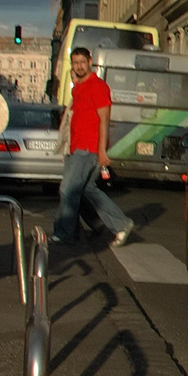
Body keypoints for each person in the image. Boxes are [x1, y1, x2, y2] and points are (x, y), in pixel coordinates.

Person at [54, 47, 133, 246]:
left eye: (82, 62)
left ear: (90, 62)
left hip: (88, 147)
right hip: (75, 147)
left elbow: (104, 120)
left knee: (68, 189)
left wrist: (101, 150)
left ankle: (65, 233)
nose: (79, 66)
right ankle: (120, 224)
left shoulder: (98, 87)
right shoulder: (78, 87)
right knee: (87, 190)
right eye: (75, 63)